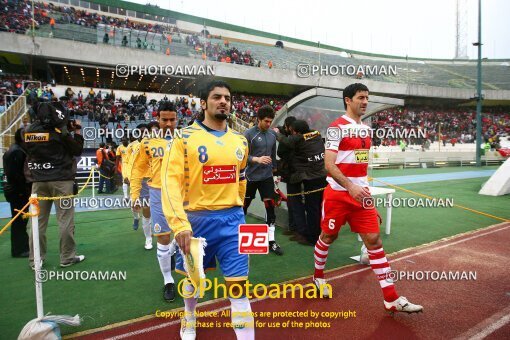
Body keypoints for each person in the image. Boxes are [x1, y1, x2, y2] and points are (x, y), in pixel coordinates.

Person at [313, 83, 423, 313]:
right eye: (360, 97)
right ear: (348, 100)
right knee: (328, 236)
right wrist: (350, 187)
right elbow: (329, 165)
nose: (365, 101)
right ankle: (318, 276)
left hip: (361, 196)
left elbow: (361, 168)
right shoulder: (336, 128)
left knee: (374, 240)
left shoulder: (367, 130)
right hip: (337, 194)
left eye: (367, 98)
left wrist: (366, 197)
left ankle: (391, 298)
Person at [161, 80, 253, 340]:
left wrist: (240, 211)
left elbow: (241, 179)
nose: (223, 101)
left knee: (239, 289)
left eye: (227, 97)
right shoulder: (183, 139)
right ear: (204, 103)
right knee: (193, 283)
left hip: (233, 221)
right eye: (216, 97)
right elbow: (170, 184)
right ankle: (189, 317)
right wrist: (179, 224)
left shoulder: (240, 141)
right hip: (196, 222)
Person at [24, 101, 85, 269]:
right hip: (61, 181)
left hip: (38, 182)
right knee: (65, 220)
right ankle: (67, 257)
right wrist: (76, 132)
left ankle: (35, 259)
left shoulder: (28, 131)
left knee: (36, 222)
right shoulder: (60, 131)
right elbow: (77, 149)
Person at [131, 102, 178, 301]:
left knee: (188, 235)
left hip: (182, 194)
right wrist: (134, 195)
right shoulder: (147, 143)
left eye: (172, 120)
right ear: (157, 120)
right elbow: (138, 169)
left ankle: (176, 252)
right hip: (157, 194)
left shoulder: (186, 140)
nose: (168, 124)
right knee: (163, 237)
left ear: (177, 120)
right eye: (164, 120)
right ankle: (168, 280)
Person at [274, 119, 327, 246]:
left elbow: (285, 142)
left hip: (311, 179)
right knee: (319, 208)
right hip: (322, 176)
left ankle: (312, 239)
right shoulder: (317, 134)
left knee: (312, 209)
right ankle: (320, 234)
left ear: (296, 132)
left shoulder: (298, 139)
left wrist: (276, 132)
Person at [243, 105, 283, 255]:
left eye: (270, 121)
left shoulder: (272, 135)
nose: (268, 124)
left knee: (270, 205)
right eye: (266, 121)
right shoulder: (248, 134)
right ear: (258, 119)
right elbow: (242, 156)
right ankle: (236, 238)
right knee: (244, 206)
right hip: (250, 177)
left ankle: (271, 240)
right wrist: (257, 159)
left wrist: (274, 172)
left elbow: (273, 156)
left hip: (266, 177)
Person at [3, 128, 31, 257]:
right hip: (18, 191)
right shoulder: (18, 152)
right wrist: (25, 190)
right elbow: (18, 175)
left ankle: (21, 247)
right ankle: (20, 249)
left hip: (15, 190)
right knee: (19, 221)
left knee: (19, 220)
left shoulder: (13, 150)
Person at [275, 116, 297, 237]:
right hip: (299, 173)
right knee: (297, 201)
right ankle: (296, 227)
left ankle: (294, 227)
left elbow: (281, 152)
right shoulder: (298, 134)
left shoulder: (290, 140)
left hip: (292, 173)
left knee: (293, 200)